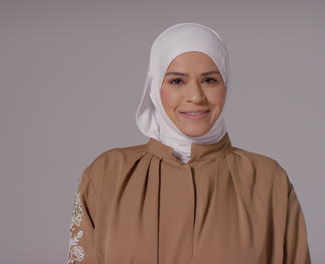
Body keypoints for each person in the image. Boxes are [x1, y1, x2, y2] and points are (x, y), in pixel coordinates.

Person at [66, 23, 311, 264]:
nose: (195, 96)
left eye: (209, 80)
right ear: (154, 87)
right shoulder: (107, 174)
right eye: (177, 81)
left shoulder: (268, 180)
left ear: (226, 85)